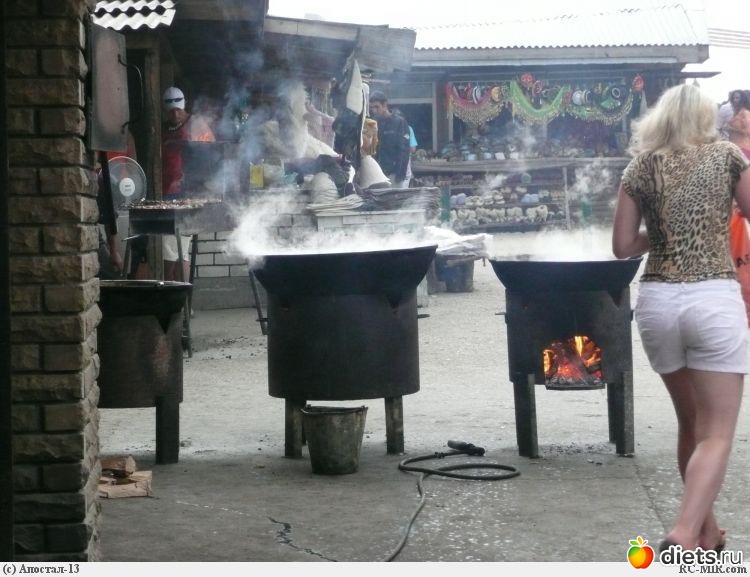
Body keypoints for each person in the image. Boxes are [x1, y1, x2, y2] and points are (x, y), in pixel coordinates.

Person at [612, 83, 750, 555]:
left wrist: (663, 231)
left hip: (658, 303)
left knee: (690, 423)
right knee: (716, 434)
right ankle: (684, 533)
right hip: (712, 299)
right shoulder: (727, 156)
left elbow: (623, 246)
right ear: (707, 118)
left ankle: (707, 532)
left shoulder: (639, 166)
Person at [161, 86, 215, 281]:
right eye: (171, 112)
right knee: (175, 248)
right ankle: (178, 293)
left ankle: (173, 291)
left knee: (174, 247)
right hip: (166, 192)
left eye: (178, 110)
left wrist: (195, 183)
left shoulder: (196, 124)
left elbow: (210, 156)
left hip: (187, 192)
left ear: (184, 107)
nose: (175, 115)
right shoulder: (164, 128)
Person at [368, 91, 411, 188]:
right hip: (378, 172)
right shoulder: (373, 123)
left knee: (395, 197)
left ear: (384, 105)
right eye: (372, 108)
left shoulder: (399, 122)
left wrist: (400, 173)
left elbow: (404, 149)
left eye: (376, 107)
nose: (374, 110)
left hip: (395, 173)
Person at [726, 90, 750, 158]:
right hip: (734, 147)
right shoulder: (736, 112)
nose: (735, 100)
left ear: (743, 100)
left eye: (737, 98)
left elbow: (748, 131)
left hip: (743, 149)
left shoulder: (745, 113)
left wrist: (730, 128)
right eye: (733, 98)